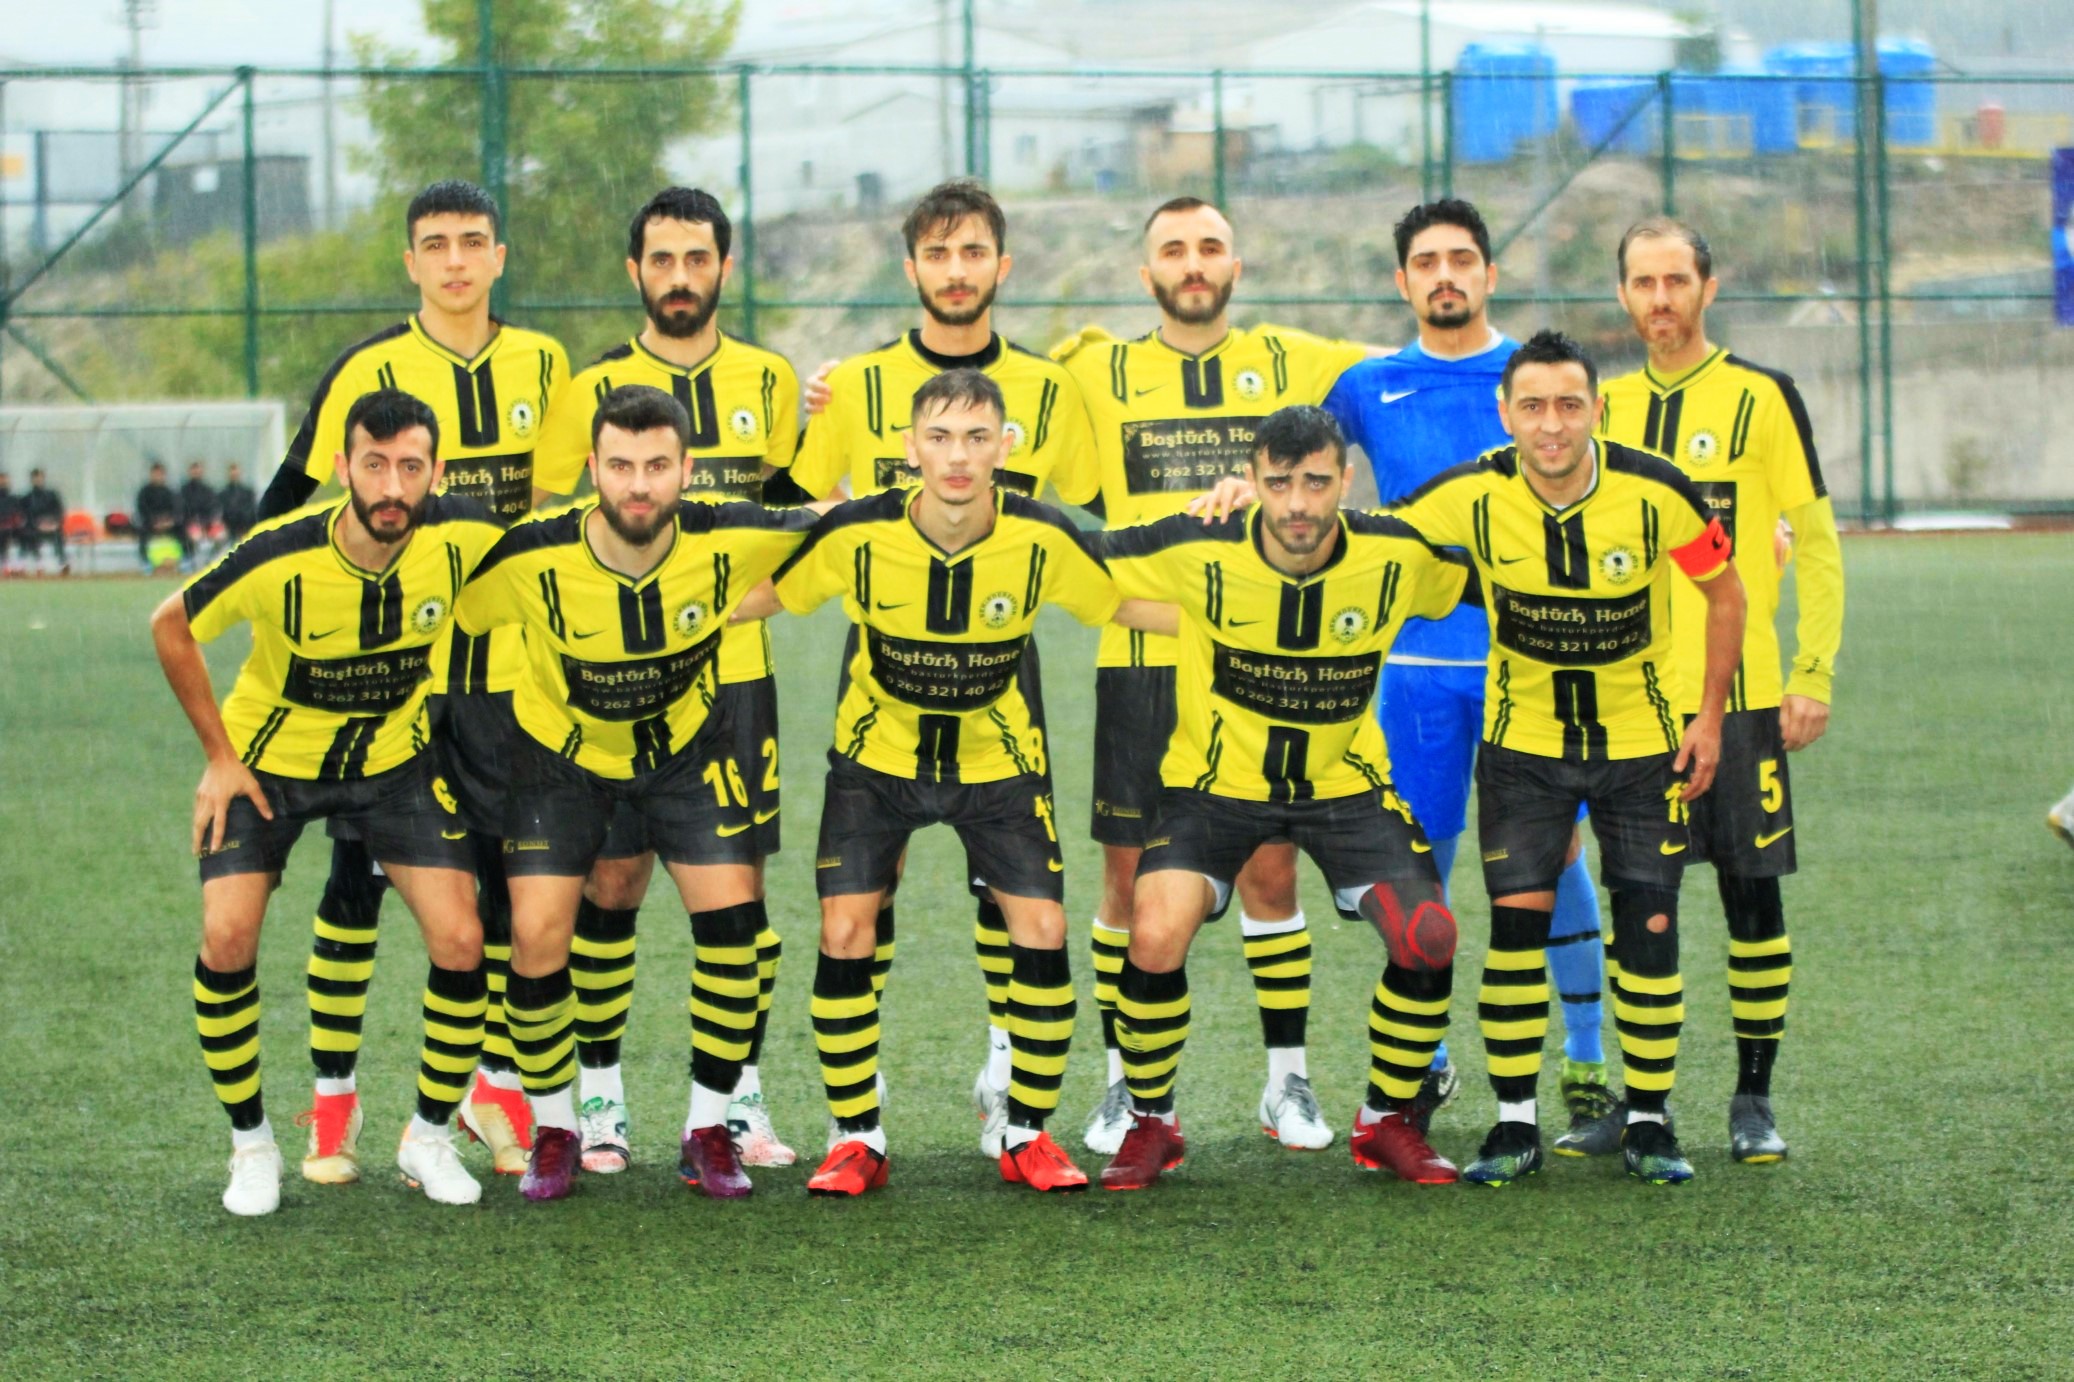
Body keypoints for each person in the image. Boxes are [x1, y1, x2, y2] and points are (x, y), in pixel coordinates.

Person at [768, 368, 1159, 1197]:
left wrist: (1241, 607)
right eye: (939, 438)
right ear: (909, 447)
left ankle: (1026, 1132)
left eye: (977, 438)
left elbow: (1124, 604)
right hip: (876, 762)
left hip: (998, 763)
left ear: (1003, 448)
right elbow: (769, 592)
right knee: (844, 931)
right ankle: (856, 1136)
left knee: (1043, 928)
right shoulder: (858, 531)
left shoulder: (1042, 536)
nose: (957, 456)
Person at [254, 180, 571, 1187]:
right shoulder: (369, 370)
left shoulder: (545, 363)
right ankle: (333, 1100)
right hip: (393, 681)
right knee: (354, 887)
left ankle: (484, 1091)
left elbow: (555, 512)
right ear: (410, 262)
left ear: (500, 256)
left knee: (495, 892)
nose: (455, 261)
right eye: (435, 244)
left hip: (507, 680)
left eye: (473, 241)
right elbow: (284, 503)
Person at [1052, 196, 1375, 1156]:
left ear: (1238, 264)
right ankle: (1127, 1089)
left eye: (1210, 247)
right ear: (1145, 270)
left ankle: (1286, 1084)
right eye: (1173, 249)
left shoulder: (1298, 359)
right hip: (1142, 659)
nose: (1192, 263)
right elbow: (995, 395)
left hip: (1259, 664)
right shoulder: (1094, 368)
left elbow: (1420, 373)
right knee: (1126, 881)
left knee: (1271, 870)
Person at [791, 179, 1101, 1160]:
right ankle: (859, 1102)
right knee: (864, 893)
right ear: (911, 267)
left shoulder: (1050, 388)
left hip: (1003, 674)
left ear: (1000, 266)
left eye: (973, 253)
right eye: (937, 254)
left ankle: (1009, 1069)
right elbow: (791, 502)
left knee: (1010, 892)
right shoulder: (855, 385)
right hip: (882, 673)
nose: (956, 271)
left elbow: (1108, 509)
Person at [1391, 330, 1746, 1187]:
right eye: (1533, 406)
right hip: (1524, 754)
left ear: (1597, 409)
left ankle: (1650, 1121)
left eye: (1568, 405)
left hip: (1641, 753)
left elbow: (1725, 593)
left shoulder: (1657, 490)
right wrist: (1249, 503)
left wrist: (1709, 718)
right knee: (1516, 934)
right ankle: (1514, 1123)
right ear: (1505, 413)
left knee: (1649, 931)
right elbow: (1365, 541)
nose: (1551, 424)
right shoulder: (1471, 492)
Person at [452, 384, 820, 1203]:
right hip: (561, 762)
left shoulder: (730, 531)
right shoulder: (530, 554)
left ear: (687, 470)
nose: (639, 484)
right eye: (621, 466)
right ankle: (558, 1129)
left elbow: (842, 525)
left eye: (657, 465)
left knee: (736, 929)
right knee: (537, 936)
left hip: (685, 752)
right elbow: (446, 606)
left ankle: (707, 1130)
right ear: (593, 468)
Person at [1095, 405, 1471, 1191]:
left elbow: (1486, 575)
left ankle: (1386, 1121)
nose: (1298, 504)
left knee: (1428, 935)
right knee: (1153, 930)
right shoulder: (1199, 542)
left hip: (1347, 788)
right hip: (1214, 788)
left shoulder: (1396, 554)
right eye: (1279, 483)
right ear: (1252, 482)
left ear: (1347, 479)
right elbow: (1074, 565)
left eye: (1316, 482)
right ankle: (1151, 1121)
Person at [148, 388, 504, 1216]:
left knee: (461, 939)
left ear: (436, 472)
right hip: (266, 767)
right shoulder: (280, 553)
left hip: (393, 767)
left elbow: (568, 545)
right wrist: (219, 758)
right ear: (343, 467)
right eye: (374, 464)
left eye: (410, 466)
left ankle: (428, 1138)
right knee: (227, 935)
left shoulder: (466, 534)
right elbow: (171, 625)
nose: (392, 486)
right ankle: (252, 1147)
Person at [1320, 200, 1611, 1149]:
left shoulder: (1536, 377)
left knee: (1558, 858)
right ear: (1402, 281)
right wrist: (1246, 482)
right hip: (1414, 672)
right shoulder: (1367, 385)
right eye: (1426, 262)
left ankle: (1586, 1062)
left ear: (1490, 273)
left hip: (1532, 665)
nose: (1444, 275)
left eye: (1461, 259)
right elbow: (1301, 463)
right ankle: (1425, 1060)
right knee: (1422, 865)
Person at [532, 187, 803, 1174]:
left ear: (724, 267)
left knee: (739, 894)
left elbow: (788, 517)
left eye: (697, 258)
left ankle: (736, 1100)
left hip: (735, 680)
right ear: (634, 271)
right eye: (662, 259)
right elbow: (548, 524)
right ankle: (600, 1097)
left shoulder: (772, 378)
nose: (680, 277)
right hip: (615, 685)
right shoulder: (590, 386)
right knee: (613, 881)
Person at [1578, 216, 1846, 1163]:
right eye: (1643, 283)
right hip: (1632, 709)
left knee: (1752, 904)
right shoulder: (1601, 408)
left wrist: (1811, 673)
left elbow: (1817, 542)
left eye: (1677, 281)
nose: (1661, 300)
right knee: (1639, 913)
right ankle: (1641, 1103)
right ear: (1623, 294)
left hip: (1743, 699)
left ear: (1708, 288)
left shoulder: (1762, 396)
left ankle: (1753, 1098)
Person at [137, 462, 181, 571]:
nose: (158, 477)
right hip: (150, 524)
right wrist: (155, 522)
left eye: (160, 474)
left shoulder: (170, 492)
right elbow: (142, 510)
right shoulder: (144, 492)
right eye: (155, 474)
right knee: (143, 532)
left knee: (182, 531)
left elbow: (176, 510)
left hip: (169, 524)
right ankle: (146, 562)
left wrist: (169, 522)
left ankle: (183, 561)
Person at [22, 468, 66, 575]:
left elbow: (59, 511)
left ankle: (62, 563)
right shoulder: (27, 498)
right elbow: (26, 515)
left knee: (58, 536)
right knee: (29, 535)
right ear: (32, 480)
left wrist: (53, 523)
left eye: (40, 477)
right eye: (36, 478)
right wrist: (38, 524)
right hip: (35, 528)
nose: (38, 480)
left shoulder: (52, 495)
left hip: (52, 526)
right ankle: (39, 563)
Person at [180, 461, 221, 563]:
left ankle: (214, 559)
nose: (196, 473)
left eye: (198, 470)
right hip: (191, 524)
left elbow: (214, 509)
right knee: (196, 536)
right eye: (194, 470)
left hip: (208, 524)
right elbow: (182, 511)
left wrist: (207, 522)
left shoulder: (208, 490)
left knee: (221, 535)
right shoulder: (184, 491)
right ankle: (194, 560)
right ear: (190, 472)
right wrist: (194, 523)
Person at [219, 464, 258, 542]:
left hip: (245, 529)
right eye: (232, 473)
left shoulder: (248, 493)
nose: (234, 475)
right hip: (228, 529)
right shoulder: (222, 494)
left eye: (236, 473)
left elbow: (251, 511)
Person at [0, 472, 23, 574]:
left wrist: (11, 523)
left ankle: (11, 566)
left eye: (4, 480)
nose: (2, 482)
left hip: (11, 528)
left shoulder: (14, 499)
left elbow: (18, 515)